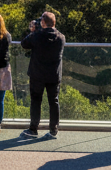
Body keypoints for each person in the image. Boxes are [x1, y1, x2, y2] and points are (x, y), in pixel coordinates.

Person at [20, 11, 65, 140]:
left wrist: (32, 31)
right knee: (54, 101)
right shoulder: (61, 37)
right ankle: (53, 130)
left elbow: (24, 44)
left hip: (37, 75)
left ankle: (33, 129)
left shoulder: (36, 36)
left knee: (36, 101)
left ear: (43, 23)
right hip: (54, 75)